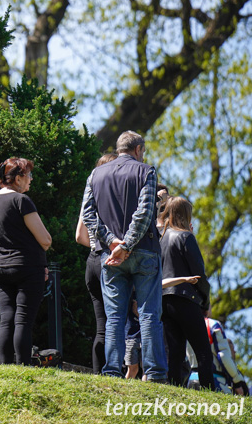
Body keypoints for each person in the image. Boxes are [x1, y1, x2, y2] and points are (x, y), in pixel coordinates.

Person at [81, 130, 168, 381]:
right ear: (139, 149)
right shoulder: (147, 171)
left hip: (110, 256)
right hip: (144, 251)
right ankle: (155, 374)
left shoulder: (95, 174)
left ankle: (111, 371)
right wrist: (127, 244)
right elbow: (145, 212)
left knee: (114, 317)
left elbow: (88, 215)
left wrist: (112, 242)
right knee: (150, 314)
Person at [0, 157, 52, 364]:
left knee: (7, 318)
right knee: (23, 319)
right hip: (27, 267)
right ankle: (22, 365)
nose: (31, 179)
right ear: (17, 178)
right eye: (28, 175)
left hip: (0, 266)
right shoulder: (21, 201)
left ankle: (6, 366)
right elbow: (45, 240)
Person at [160, 196, 214, 389]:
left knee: (174, 352)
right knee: (203, 352)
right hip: (186, 298)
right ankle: (209, 390)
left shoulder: (161, 239)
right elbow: (199, 274)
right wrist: (205, 302)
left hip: (165, 299)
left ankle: (174, 390)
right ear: (186, 214)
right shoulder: (186, 237)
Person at [74, 152, 117, 373]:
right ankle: (116, 372)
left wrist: (94, 246)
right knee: (118, 323)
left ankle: (99, 373)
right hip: (109, 259)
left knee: (102, 325)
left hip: (92, 261)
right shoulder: (113, 197)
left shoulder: (89, 196)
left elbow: (79, 236)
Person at [187, 311, 248, 395]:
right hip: (216, 380)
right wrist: (237, 381)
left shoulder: (187, 325)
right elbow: (223, 356)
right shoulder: (213, 324)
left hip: (191, 379)